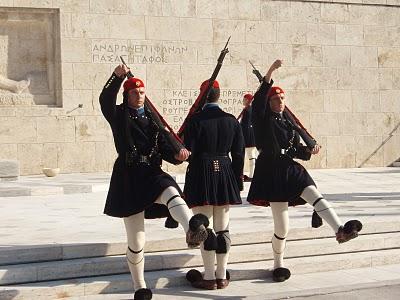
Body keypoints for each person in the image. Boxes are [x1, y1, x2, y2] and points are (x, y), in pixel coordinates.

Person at [99, 64, 209, 300]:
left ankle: (192, 227)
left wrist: (178, 155)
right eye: (135, 93)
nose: (140, 96)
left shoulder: (153, 119)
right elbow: (104, 99)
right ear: (127, 95)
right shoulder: (118, 115)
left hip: (151, 171)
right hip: (128, 176)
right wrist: (116, 77)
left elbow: (166, 147)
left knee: (171, 190)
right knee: (137, 240)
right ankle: (139, 286)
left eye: (142, 92)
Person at [247, 59, 363, 283]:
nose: (280, 101)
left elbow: (294, 148)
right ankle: (278, 264)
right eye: (276, 99)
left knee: (314, 194)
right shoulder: (261, 119)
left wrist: (311, 149)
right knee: (283, 227)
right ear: (269, 102)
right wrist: (270, 72)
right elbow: (259, 99)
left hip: (290, 167)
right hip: (272, 171)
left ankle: (340, 229)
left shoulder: (287, 123)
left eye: (282, 98)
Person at [183, 79, 245, 290]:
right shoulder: (231, 121)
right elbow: (238, 154)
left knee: (205, 228)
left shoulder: (196, 120)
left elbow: (187, 151)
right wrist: (236, 181)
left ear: (202, 97)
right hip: (225, 172)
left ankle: (209, 277)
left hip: (202, 172)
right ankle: (222, 276)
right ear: (219, 96)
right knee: (223, 229)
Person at [238, 93, 258, 181]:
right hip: (250, 136)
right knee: (251, 157)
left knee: (250, 156)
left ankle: (251, 175)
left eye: (244, 99)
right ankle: (251, 174)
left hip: (248, 137)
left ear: (247, 100)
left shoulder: (248, 110)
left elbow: (245, 125)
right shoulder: (249, 109)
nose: (243, 101)